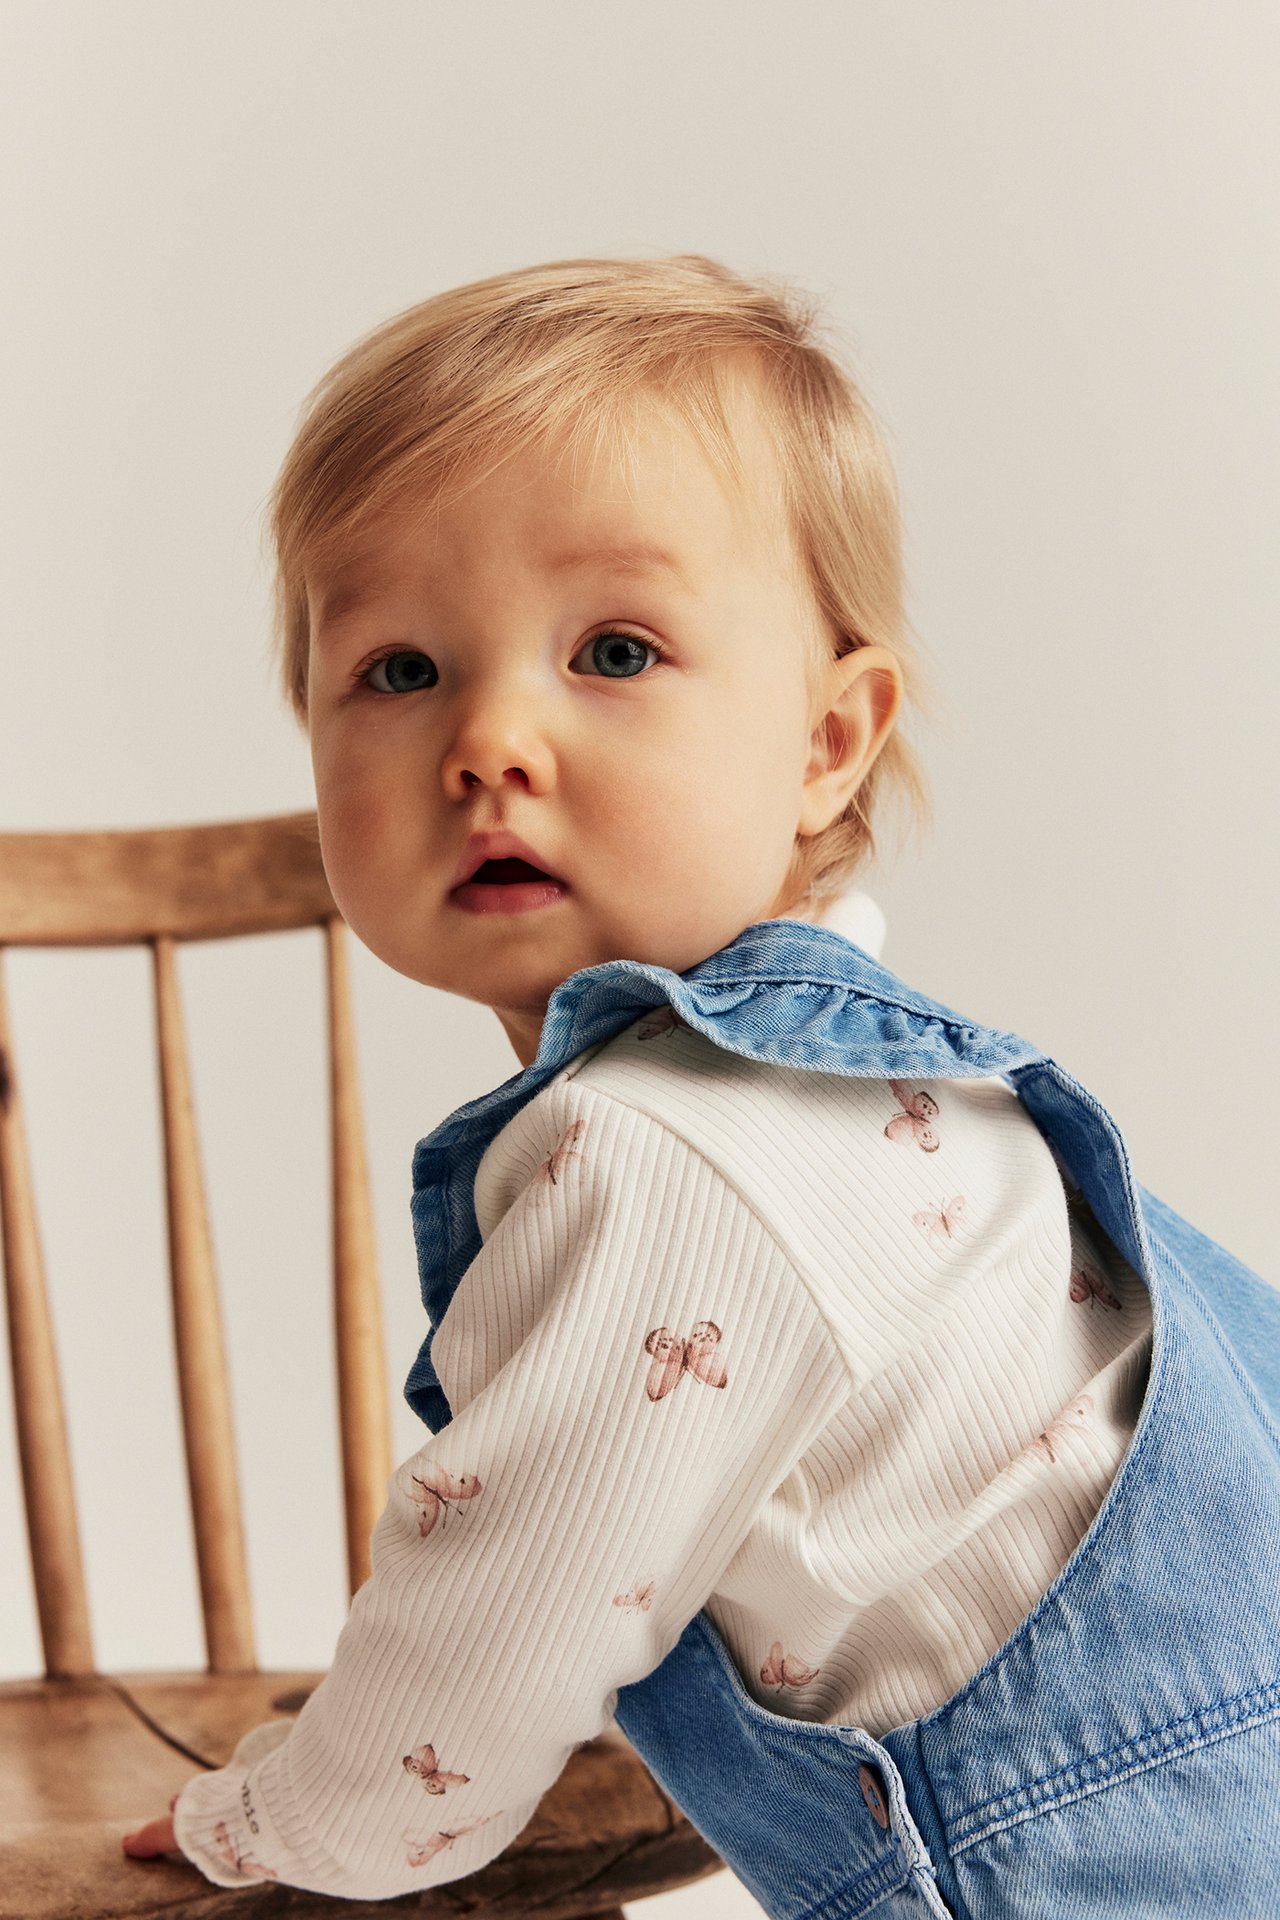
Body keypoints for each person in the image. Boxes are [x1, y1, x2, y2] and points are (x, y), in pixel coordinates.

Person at [121, 255, 1280, 1915]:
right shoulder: (869, 1086)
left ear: (828, 741)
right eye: (396, 669)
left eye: (612, 649)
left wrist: (265, 1821)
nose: (490, 739)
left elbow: (479, 1669)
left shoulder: (669, 1153)